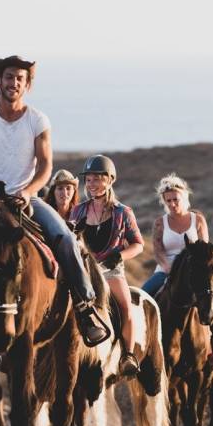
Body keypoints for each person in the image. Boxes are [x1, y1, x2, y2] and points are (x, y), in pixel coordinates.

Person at [0, 56, 110, 361]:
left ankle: (85, 309)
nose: (13, 83)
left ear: (26, 85)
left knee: (67, 241)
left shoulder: (38, 120)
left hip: (29, 200)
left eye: (19, 78)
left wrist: (29, 192)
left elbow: (45, 165)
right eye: (8, 77)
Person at [142, 174, 213, 379]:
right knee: (143, 297)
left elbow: (205, 249)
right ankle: (140, 351)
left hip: (195, 273)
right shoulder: (160, 223)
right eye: (168, 200)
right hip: (167, 271)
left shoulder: (197, 219)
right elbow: (158, 251)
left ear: (184, 198)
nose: (172, 203)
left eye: (175, 199)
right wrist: (170, 268)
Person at [69, 155, 143, 378]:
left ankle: (128, 355)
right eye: (88, 180)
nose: (91, 185)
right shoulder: (78, 211)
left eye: (97, 180)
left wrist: (119, 256)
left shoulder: (123, 212)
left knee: (125, 308)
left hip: (110, 270)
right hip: (83, 271)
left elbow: (138, 244)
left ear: (110, 180)